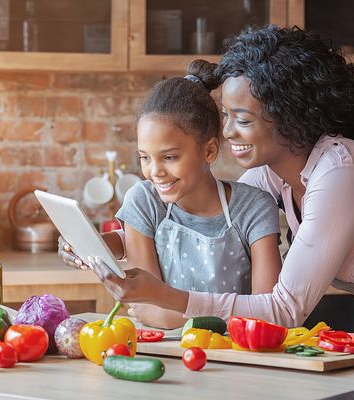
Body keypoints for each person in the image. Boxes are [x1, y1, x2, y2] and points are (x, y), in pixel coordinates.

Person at [64, 25, 354, 348]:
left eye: (242, 119)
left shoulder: (341, 176)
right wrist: (101, 249)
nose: (226, 132)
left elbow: (284, 309)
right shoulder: (266, 177)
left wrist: (168, 298)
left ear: (290, 115)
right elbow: (205, 228)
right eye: (225, 115)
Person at [65, 60, 283, 329]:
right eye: (145, 157)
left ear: (210, 151)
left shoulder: (255, 207)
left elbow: (266, 319)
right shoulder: (144, 201)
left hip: (236, 356)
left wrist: (169, 315)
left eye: (169, 157)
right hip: (162, 354)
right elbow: (146, 307)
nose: (155, 171)